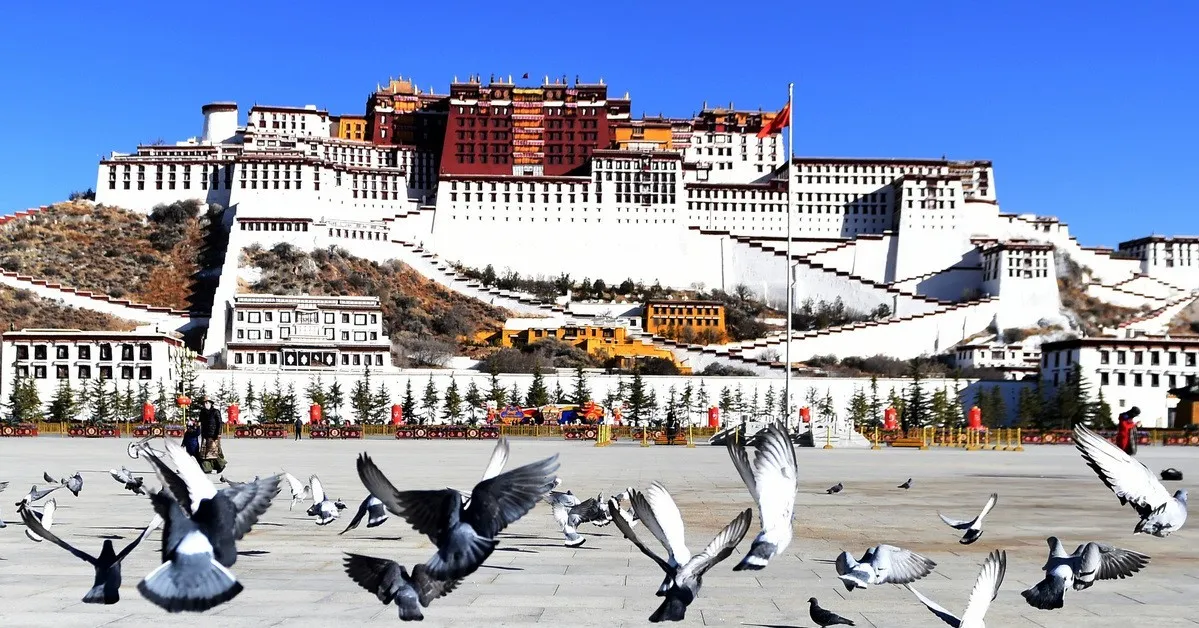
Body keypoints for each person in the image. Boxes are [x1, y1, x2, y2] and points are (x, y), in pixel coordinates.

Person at [197, 397, 227, 474]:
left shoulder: (215, 411)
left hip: (213, 435)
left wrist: (218, 433)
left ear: (210, 403)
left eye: (207, 402)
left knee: (213, 452)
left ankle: (221, 465)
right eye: (204, 403)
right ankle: (207, 468)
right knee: (204, 453)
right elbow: (200, 422)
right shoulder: (202, 412)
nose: (205, 404)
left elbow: (219, 423)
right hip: (205, 434)